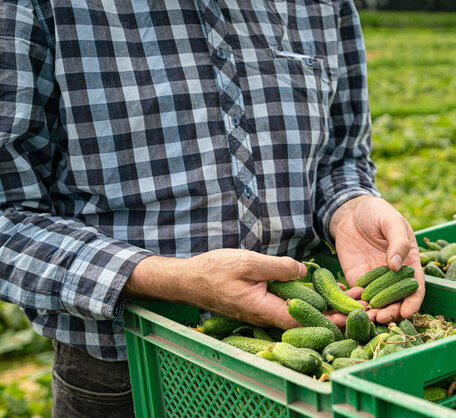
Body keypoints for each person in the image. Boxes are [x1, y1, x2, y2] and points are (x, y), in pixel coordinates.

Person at [0, 1, 423, 416]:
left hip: (309, 346)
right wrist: (169, 279)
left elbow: (341, 158)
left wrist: (351, 205)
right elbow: (8, 214)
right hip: (125, 369)